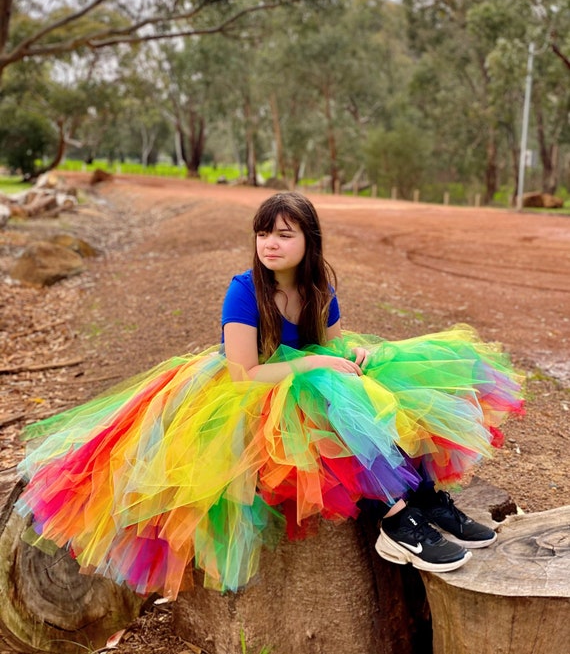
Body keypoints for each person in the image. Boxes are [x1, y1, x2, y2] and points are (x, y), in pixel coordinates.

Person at [16, 191, 524, 600]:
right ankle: (395, 522)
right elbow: (243, 374)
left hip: (308, 377)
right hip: (250, 391)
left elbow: (331, 345)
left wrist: (350, 357)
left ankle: (427, 499)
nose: (271, 244)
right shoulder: (244, 289)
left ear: (310, 241)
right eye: (264, 233)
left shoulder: (320, 287)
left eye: (284, 234)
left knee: (382, 383)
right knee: (330, 391)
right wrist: (318, 364)